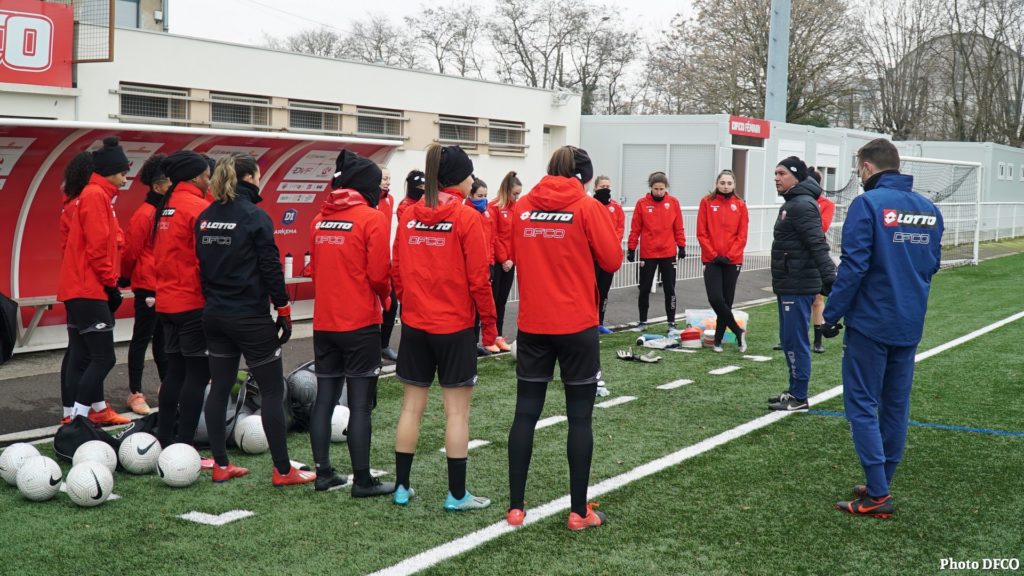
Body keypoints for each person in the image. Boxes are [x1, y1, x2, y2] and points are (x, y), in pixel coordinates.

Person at [823, 139, 943, 518]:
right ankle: (881, 482)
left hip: (872, 322)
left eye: (859, 169)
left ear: (867, 167)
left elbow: (854, 266)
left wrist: (831, 314)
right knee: (895, 405)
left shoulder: (868, 204)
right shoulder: (929, 208)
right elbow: (932, 264)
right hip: (909, 322)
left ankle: (878, 494)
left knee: (862, 403)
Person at [506, 146, 621, 530]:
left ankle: (516, 508)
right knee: (579, 419)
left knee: (525, 413)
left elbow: (515, 251)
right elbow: (612, 260)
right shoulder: (587, 207)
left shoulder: (523, 207)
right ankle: (578, 512)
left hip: (534, 323)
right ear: (583, 176)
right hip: (576, 324)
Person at [194, 154, 314, 486]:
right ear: (250, 178)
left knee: (219, 387)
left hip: (215, 315)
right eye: (259, 175)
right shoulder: (255, 216)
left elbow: (201, 269)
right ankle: (283, 470)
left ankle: (220, 464)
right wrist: (285, 310)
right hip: (249, 317)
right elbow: (271, 270)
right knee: (274, 390)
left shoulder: (204, 218)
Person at [391, 144, 496, 511]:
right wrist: (490, 329)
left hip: (416, 326)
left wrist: (411, 305)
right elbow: (480, 280)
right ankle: (456, 495)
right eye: (469, 175)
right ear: (459, 179)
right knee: (456, 414)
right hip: (454, 328)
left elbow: (398, 271)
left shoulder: (407, 215)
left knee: (410, 410)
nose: (473, 181)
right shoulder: (468, 219)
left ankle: (402, 488)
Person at [307, 150, 394, 495]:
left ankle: (323, 473)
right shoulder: (372, 219)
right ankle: (362, 479)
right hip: (359, 322)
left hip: (324, 322)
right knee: (359, 403)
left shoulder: (319, 220)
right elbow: (378, 275)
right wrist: (385, 299)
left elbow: (315, 271)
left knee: (325, 397)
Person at [57, 137, 132, 427]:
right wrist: (111, 284)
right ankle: (77, 420)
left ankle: (80, 415)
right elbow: (99, 247)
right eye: (123, 171)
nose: (127, 178)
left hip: (81, 287)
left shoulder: (91, 195)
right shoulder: (93, 196)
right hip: (89, 288)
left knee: (80, 353)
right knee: (103, 358)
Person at [153, 150, 213, 452]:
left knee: (175, 372)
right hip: (192, 302)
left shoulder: (166, 206)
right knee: (198, 374)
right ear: (195, 177)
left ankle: (164, 438)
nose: (209, 180)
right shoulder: (198, 208)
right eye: (206, 175)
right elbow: (206, 260)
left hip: (167, 302)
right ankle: (185, 444)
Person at [767, 156, 836, 411]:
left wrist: (829, 278)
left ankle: (799, 397)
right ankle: (794, 391)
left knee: (796, 341)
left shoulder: (802, 206)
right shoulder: (793, 203)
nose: (776, 177)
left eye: (781, 173)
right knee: (788, 340)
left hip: (797, 286)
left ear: (796, 176)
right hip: (788, 283)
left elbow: (817, 244)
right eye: (775, 173)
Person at [119, 153, 170, 415]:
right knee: (142, 338)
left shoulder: (167, 211)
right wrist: (125, 276)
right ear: (158, 185)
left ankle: (166, 387)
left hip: (166, 285)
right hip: (148, 286)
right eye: (169, 182)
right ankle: (135, 392)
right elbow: (130, 251)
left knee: (163, 339)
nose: (173, 186)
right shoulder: (145, 213)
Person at [696, 169, 749, 352]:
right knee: (715, 298)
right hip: (712, 260)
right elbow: (702, 233)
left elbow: (742, 236)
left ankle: (718, 341)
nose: (726, 186)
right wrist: (713, 254)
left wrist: (729, 255)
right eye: (722, 183)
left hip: (732, 261)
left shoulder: (740, 205)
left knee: (727, 301)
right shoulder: (706, 202)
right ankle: (737, 330)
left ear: (734, 185)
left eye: (729, 183)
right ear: (717, 183)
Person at [627, 171, 686, 331]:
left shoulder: (673, 203)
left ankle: (671, 323)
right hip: (649, 253)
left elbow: (678, 226)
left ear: (666, 188)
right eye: (656, 189)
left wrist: (681, 246)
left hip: (668, 253)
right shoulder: (642, 204)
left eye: (662, 189)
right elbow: (635, 228)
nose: (659, 192)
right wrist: (631, 248)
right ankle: (642, 322)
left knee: (670, 288)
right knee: (644, 288)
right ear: (650, 188)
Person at [489, 171, 521, 348]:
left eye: (519, 194)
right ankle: (489, 336)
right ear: (506, 190)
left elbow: (518, 237)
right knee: (492, 301)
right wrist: (503, 259)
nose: (517, 197)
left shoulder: (517, 208)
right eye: (515, 193)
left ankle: (498, 336)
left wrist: (512, 259)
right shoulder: (494, 206)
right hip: (497, 262)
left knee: (502, 301)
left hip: (510, 262)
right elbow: (493, 236)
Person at [468, 177, 500, 355]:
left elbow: (491, 239)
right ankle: (469, 342)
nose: (483, 199)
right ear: (471, 195)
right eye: (480, 195)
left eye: (486, 195)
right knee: (472, 307)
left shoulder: (487, 213)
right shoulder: (466, 213)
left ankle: (477, 341)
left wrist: (492, 260)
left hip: (489, 264)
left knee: (485, 307)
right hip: (475, 266)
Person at [592, 175, 624, 334]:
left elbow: (619, 229)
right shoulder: (589, 205)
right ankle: (587, 323)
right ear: (595, 188)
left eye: (607, 186)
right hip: (592, 258)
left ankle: (600, 323)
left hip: (608, 257)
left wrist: (609, 246)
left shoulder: (616, 207)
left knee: (604, 291)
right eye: (602, 186)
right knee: (590, 291)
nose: (605, 189)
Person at [810, 168, 836, 353]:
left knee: (818, 298)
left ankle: (818, 341)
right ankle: (787, 338)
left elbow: (822, 227)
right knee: (793, 297)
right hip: (798, 255)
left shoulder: (826, 204)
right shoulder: (793, 201)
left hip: (816, 254)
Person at [378, 165, 400, 362]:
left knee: (391, 304)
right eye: (384, 178)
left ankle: (383, 345)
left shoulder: (390, 200)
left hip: (386, 261)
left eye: (389, 178)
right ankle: (370, 349)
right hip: (370, 262)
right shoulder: (368, 200)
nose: (387, 181)